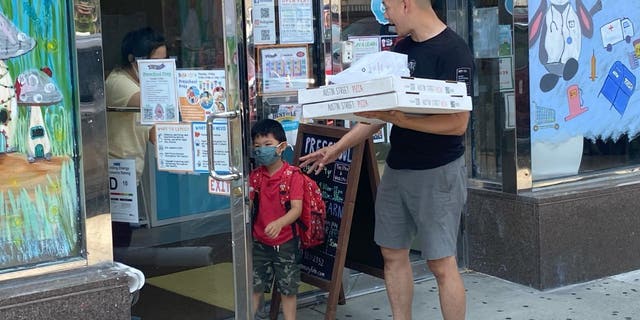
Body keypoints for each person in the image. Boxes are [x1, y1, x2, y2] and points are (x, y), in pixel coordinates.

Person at [299, 0, 473, 319]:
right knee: (391, 253)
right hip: (397, 167)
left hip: (438, 172)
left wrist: (398, 118)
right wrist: (338, 148)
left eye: (388, 7)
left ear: (406, 4)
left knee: (440, 262)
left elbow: (457, 124)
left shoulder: (454, 51)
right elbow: (379, 113)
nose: (386, 16)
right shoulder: (401, 48)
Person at [105, 27, 166, 246]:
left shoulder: (140, 84)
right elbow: (154, 102)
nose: (158, 70)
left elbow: (153, 132)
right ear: (132, 59)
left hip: (130, 172)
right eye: (152, 64)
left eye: (163, 63)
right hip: (114, 171)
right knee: (117, 237)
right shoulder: (118, 83)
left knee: (123, 235)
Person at [249, 119, 304, 320]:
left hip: (286, 243)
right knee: (255, 287)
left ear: (281, 147)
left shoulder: (292, 176)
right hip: (260, 242)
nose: (262, 150)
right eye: (257, 146)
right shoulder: (255, 177)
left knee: (288, 289)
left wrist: (280, 223)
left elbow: (297, 209)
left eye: (267, 145)